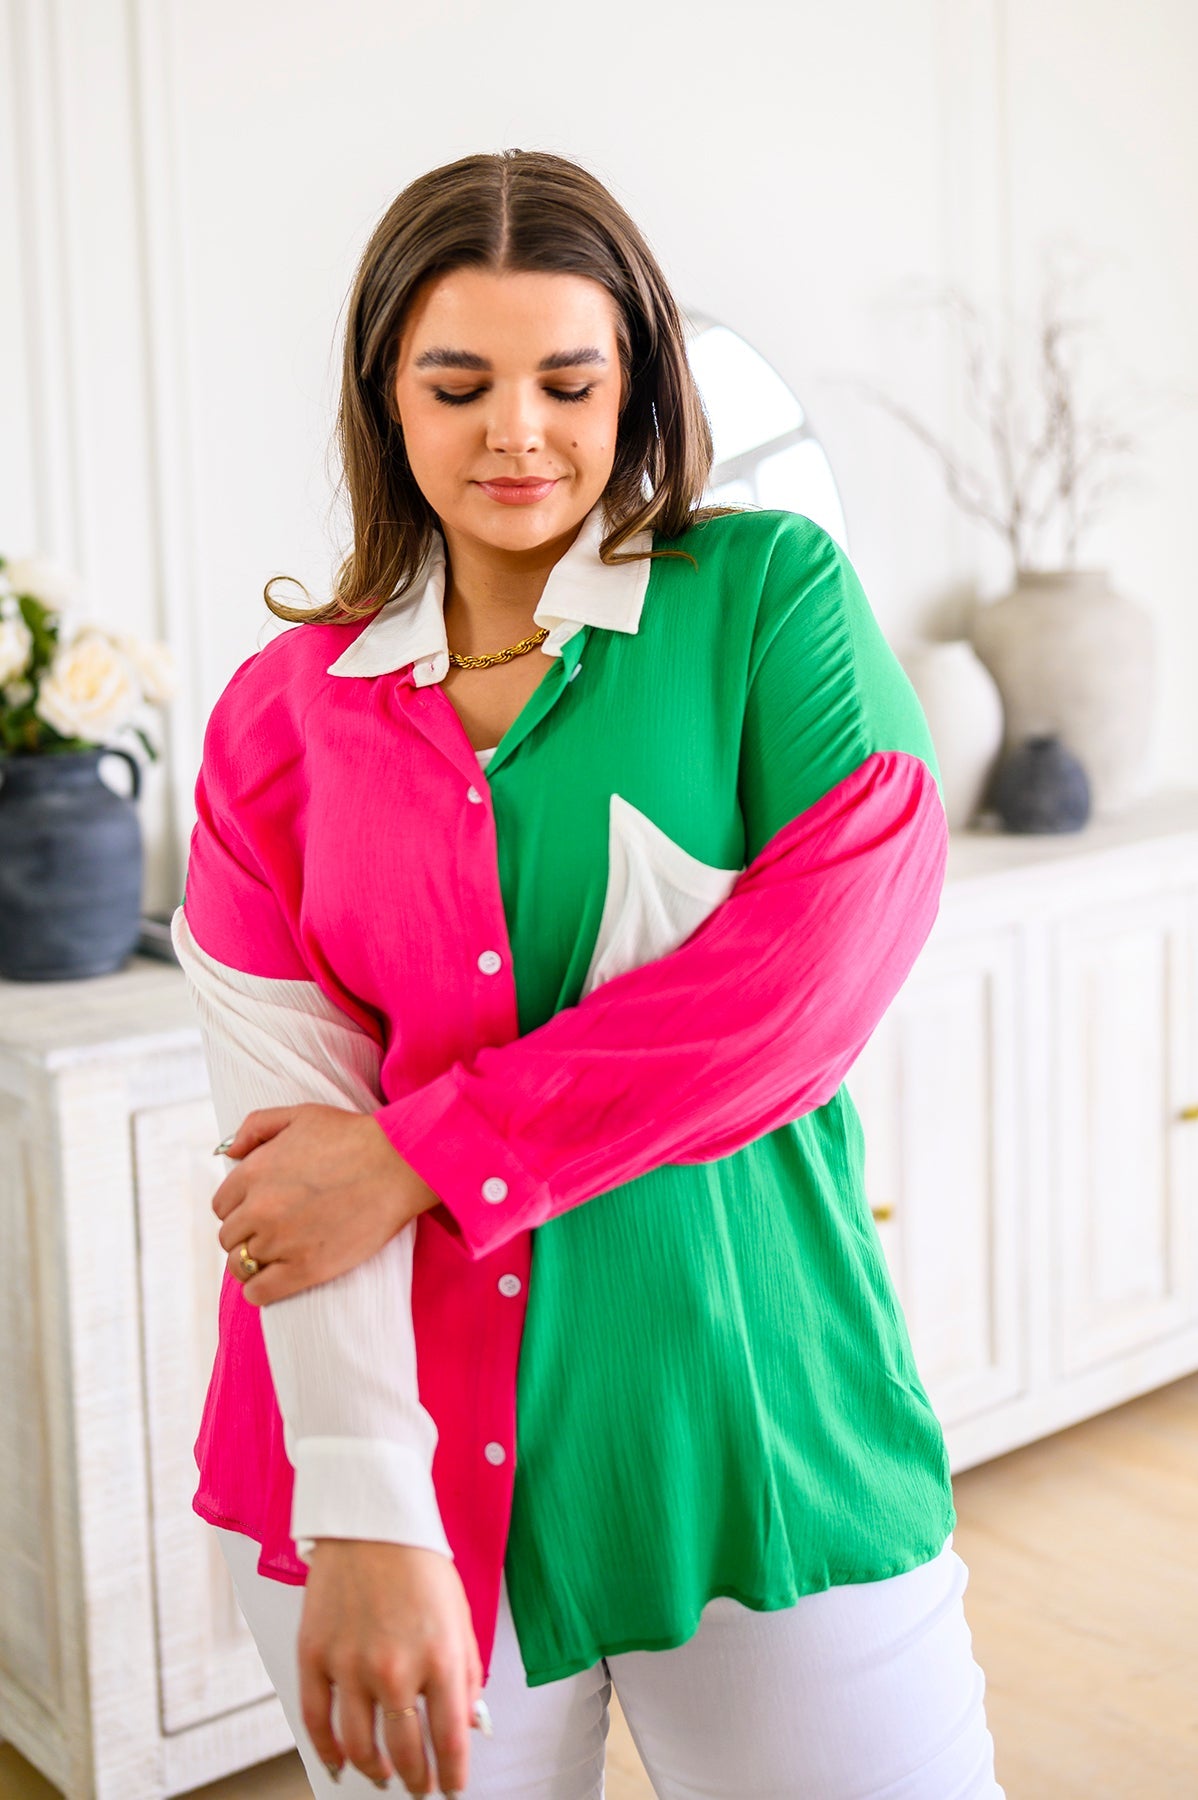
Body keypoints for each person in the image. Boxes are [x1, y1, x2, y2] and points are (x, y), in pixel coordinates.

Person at [172, 146, 1006, 1799]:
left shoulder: (765, 600)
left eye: (567, 381)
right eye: (456, 383)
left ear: (635, 384)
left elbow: (810, 981)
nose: (517, 432)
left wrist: (421, 1154)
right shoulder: (279, 714)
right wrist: (363, 1504)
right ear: (383, 394)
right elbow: (292, 1161)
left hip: (746, 1425)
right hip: (380, 1469)